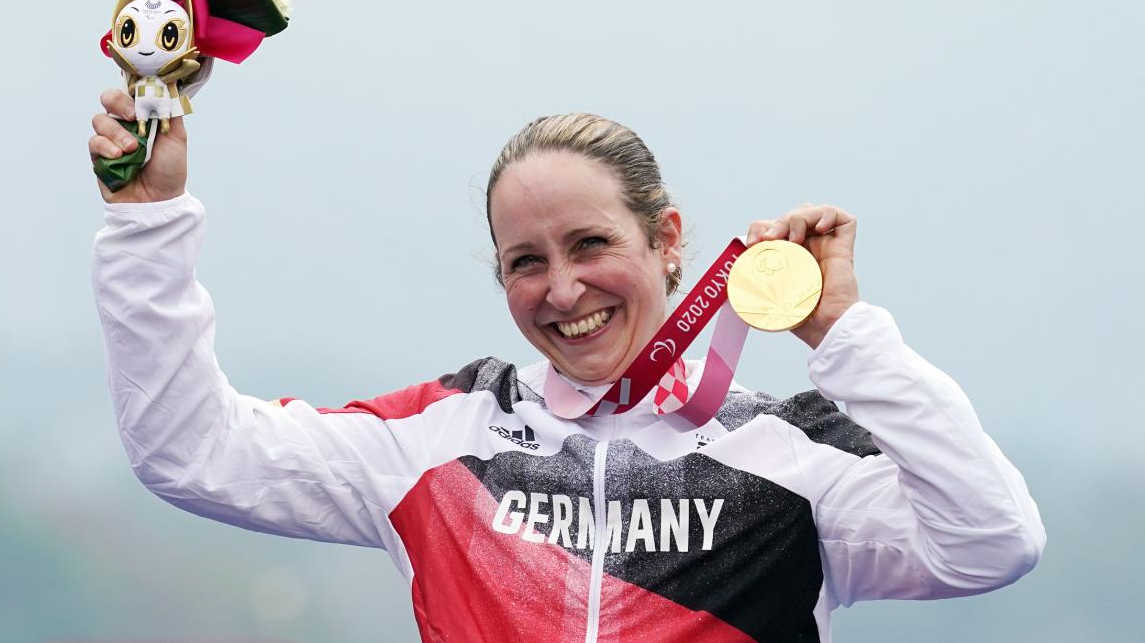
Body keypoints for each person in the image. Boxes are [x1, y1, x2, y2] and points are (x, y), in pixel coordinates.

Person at [89, 92, 1045, 643]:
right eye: (526, 262)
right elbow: (190, 450)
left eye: (591, 243)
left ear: (669, 240)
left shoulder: (793, 456)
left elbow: (993, 540)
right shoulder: (441, 438)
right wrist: (146, 222)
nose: (562, 288)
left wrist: (844, 334)